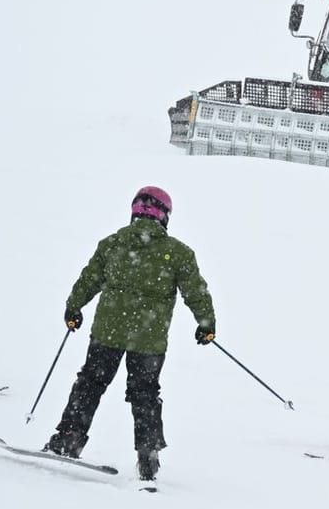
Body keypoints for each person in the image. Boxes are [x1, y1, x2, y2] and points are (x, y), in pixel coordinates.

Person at [45, 187, 215, 482]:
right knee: (145, 394)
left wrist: (74, 307)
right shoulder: (178, 253)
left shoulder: (113, 243)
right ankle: (148, 456)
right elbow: (196, 291)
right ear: (165, 217)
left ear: (134, 211)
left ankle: (69, 437)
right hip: (148, 341)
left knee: (90, 383)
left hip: (107, 333)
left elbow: (89, 278)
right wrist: (206, 324)